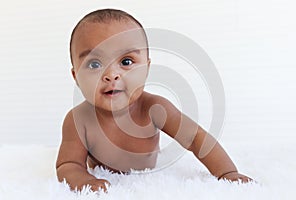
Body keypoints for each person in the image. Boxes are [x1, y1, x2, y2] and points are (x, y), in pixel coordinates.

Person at [56, 8, 252, 192]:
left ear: (147, 68)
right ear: (76, 77)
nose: (111, 75)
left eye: (126, 62)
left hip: (146, 173)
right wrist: (83, 179)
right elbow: (68, 164)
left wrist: (227, 172)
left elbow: (195, 138)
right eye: (94, 64)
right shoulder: (78, 120)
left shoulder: (154, 108)